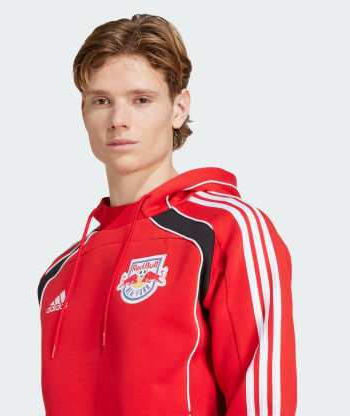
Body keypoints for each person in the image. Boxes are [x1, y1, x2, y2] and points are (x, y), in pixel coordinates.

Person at [37, 13, 297, 416]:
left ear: (178, 108)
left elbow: (265, 401)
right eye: (101, 101)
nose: (118, 120)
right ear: (84, 112)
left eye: (141, 100)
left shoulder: (226, 231)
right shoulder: (59, 275)